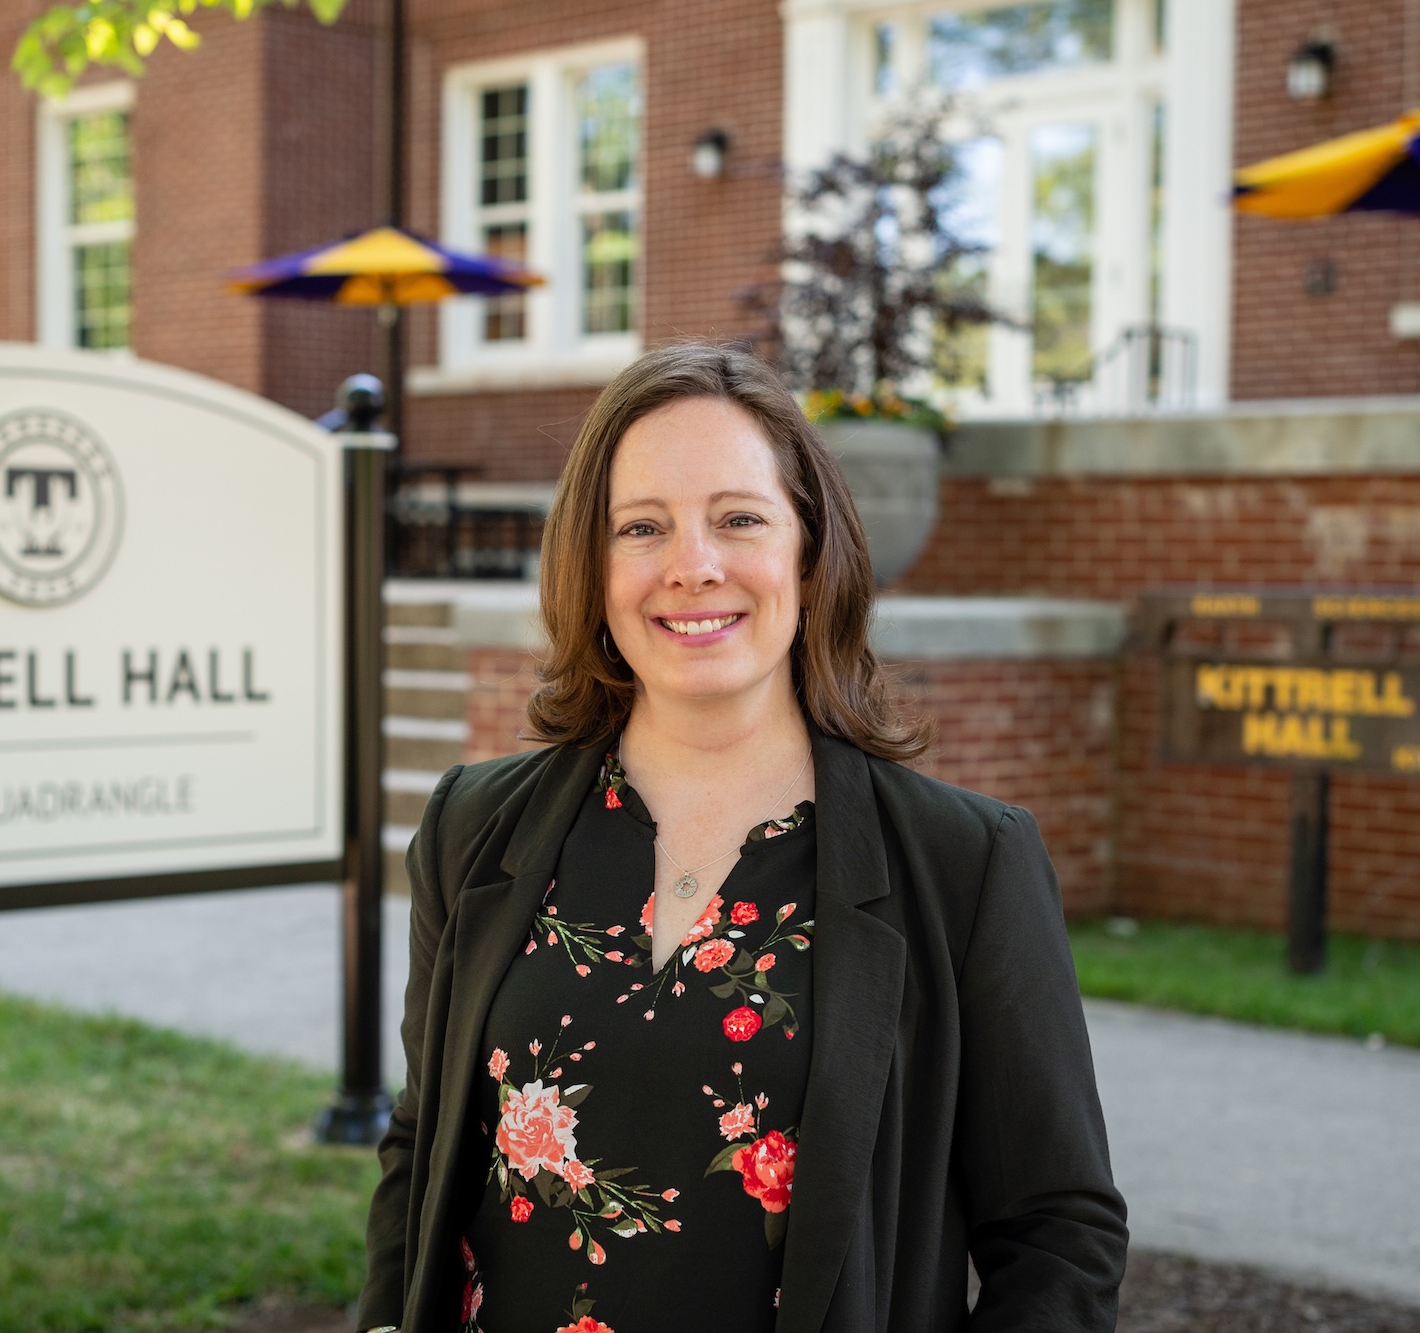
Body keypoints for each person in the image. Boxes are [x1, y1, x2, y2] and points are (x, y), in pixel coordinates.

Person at [360, 342, 1127, 1333]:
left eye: (737, 518)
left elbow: (1057, 1228)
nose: (693, 566)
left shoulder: (962, 864)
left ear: (809, 549)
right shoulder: (473, 827)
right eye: (642, 526)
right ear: (591, 568)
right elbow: (420, 1148)